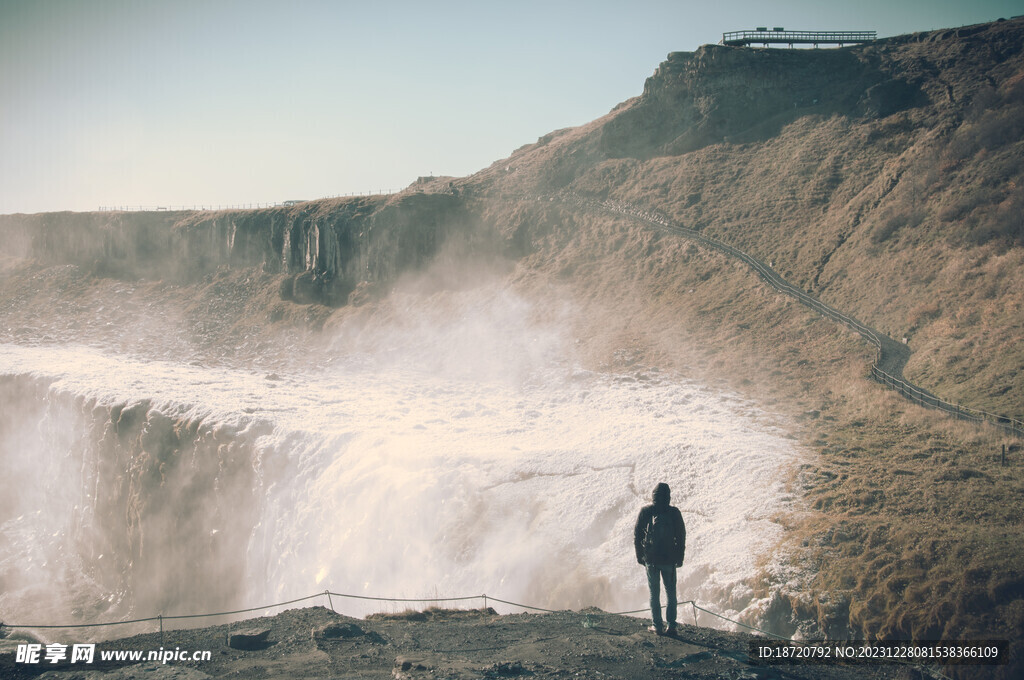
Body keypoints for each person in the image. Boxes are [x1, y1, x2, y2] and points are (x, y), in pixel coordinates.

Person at [634, 482, 686, 635]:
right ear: (669, 496)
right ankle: (671, 626)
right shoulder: (674, 513)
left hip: (651, 559)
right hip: (669, 560)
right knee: (671, 593)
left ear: (653, 496)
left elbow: (638, 536)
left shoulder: (646, 511)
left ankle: (657, 626)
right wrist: (680, 557)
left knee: (654, 593)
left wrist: (640, 556)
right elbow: (681, 536)